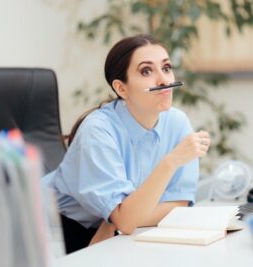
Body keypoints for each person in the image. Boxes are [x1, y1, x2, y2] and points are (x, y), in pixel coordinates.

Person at [42, 34, 211, 253]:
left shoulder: (177, 122)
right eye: (146, 71)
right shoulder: (97, 131)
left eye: (167, 68)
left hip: (113, 230)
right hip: (56, 229)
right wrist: (172, 161)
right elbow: (127, 220)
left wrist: (115, 220)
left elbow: (179, 205)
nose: (164, 81)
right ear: (122, 89)